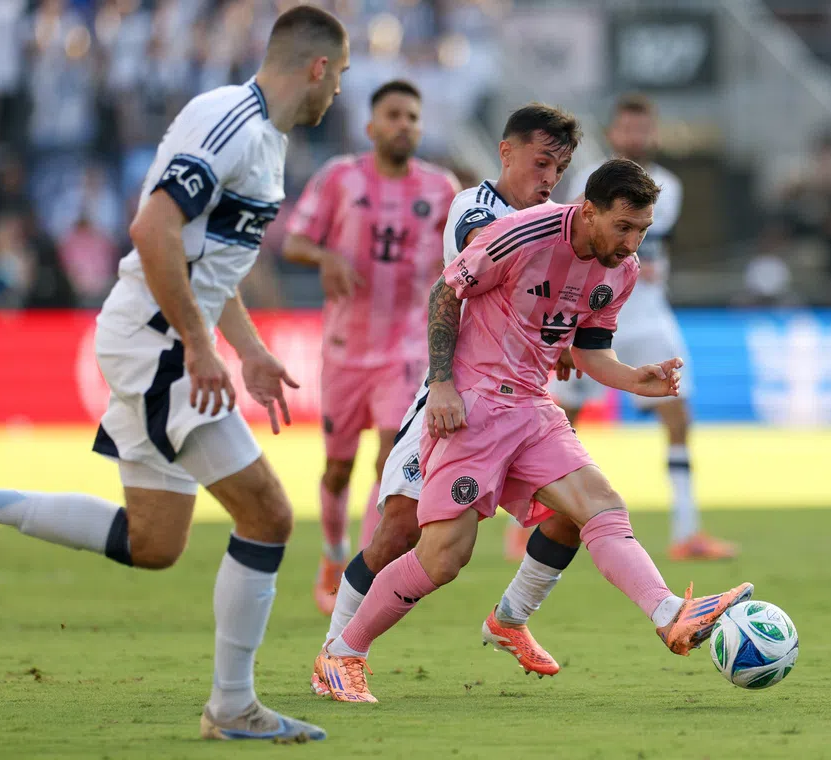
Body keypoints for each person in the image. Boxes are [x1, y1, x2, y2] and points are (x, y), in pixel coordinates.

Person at [0, 6, 350, 742]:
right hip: (159, 344)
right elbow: (152, 230)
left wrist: (248, 348)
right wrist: (201, 347)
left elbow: (206, 262)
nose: (338, 93)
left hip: (162, 340)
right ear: (317, 68)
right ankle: (232, 706)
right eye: (341, 76)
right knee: (268, 515)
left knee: (156, 542)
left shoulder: (262, 141)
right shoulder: (231, 120)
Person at [313, 159, 754, 703]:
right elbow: (445, 295)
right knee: (443, 558)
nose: (633, 242)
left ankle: (670, 615)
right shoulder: (522, 233)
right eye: (624, 227)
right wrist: (444, 386)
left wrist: (634, 381)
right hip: (472, 409)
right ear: (589, 211)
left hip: (531, 408)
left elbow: (592, 350)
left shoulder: (623, 269)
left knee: (598, 505)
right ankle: (342, 653)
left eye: (642, 230)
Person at [311, 104, 587, 697]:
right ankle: (334, 656)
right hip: (452, 394)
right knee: (399, 532)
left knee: (578, 510)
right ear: (506, 152)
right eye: (541, 162)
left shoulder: (549, 219)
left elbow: (553, 294)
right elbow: (488, 268)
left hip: (516, 406)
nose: (549, 178)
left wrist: (558, 334)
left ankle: (511, 618)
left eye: (560, 168)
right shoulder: (476, 207)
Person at [284, 79, 458, 615]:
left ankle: (362, 568)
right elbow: (293, 241)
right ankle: (334, 555)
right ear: (371, 127)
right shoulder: (339, 176)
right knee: (338, 467)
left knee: (390, 461)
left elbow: (462, 264)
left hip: (407, 349)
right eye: (394, 115)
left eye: (412, 116)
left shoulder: (442, 189)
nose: (404, 124)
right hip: (343, 348)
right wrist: (326, 258)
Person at [552, 95, 736, 561]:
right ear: (614, 132)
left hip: (647, 314)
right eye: (627, 129)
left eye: (642, 129)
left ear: (652, 133)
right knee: (561, 424)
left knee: (679, 414)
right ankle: (532, 521)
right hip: (591, 314)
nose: (635, 137)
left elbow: (644, 245)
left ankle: (686, 529)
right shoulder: (588, 180)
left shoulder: (667, 187)